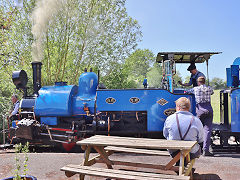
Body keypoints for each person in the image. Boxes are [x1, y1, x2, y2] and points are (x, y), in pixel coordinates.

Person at [163, 97, 204, 165]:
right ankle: (185, 166)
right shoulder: (196, 121)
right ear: (189, 107)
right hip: (191, 152)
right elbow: (201, 139)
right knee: (196, 148)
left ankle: (179, 165)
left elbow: (165, 134)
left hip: (174, 151)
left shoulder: (169, 119)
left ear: (178, 107)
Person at [186, 76, 214, 156]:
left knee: (197, 129)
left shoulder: (195, 89)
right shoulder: (209, 88)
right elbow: (212, 92)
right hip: (209, 109)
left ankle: (195, 149)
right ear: (204, 81)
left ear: (198, 82)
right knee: (207, 130)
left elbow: (187, 92)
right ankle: (206, 150)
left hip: (200, 110)